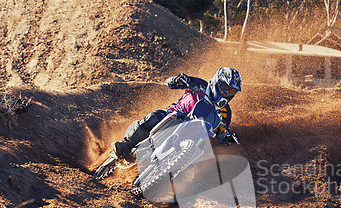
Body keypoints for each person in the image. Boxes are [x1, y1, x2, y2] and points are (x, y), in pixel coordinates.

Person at [93, 67, 241, 180]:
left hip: (192, 136)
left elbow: (222, 128)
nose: (226, 93)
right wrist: (177, 81)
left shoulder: (225, 111)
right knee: (153, 117)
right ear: (216, 81)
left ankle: (179, 188)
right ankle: (126, 145)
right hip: (173, 116)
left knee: (199, 157)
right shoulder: (200, 85)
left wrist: (227, 137)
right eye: (224, 88)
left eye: (231, 91)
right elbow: (171, 81)